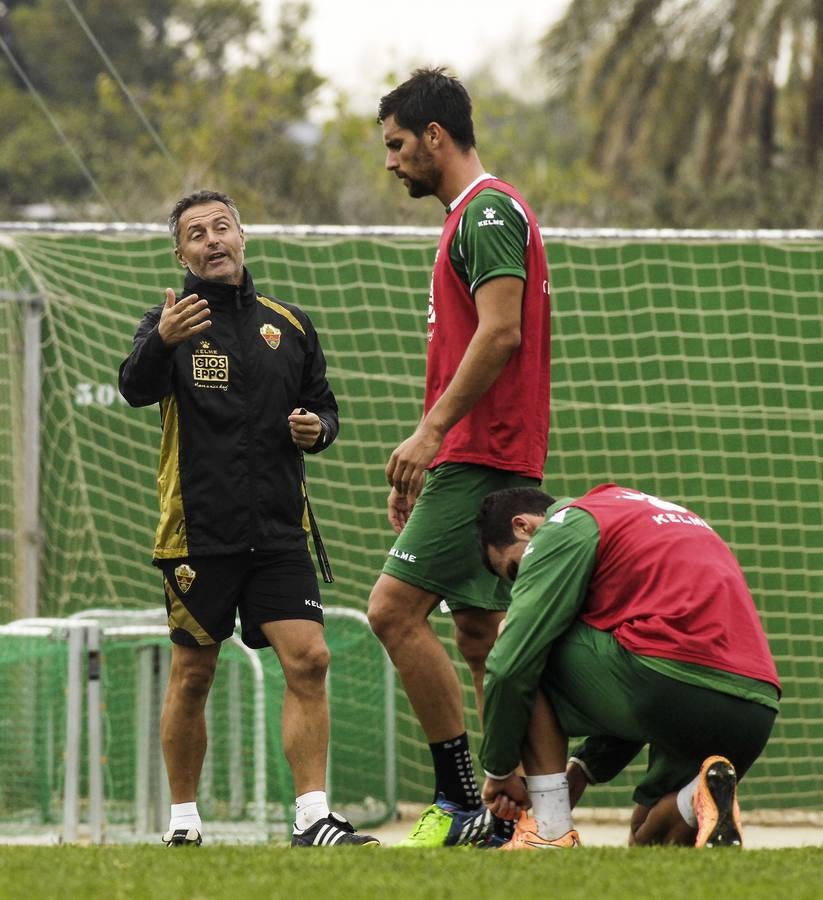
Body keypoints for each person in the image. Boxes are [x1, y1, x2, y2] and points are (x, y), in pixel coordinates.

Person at [118, 189, 378, 848]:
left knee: (310, 660)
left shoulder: (287, 323)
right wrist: (160, 345)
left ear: (243, 237)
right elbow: (134, 388)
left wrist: (317, 428)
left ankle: (312, 817)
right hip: (196, 532)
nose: (211, 240)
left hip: (280, 531)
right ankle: (182, 820)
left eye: (221, 226)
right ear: (180, 252)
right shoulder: (167, 320)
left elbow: (325, 408)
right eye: (196, 233)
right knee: (194, 672)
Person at [367, 67, 551, 847]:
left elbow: (500, 332)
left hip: (482, 455)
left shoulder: (485, 215)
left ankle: (460, 800)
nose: (390, 161)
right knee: (483, 637)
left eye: (397, 144)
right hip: (474, 459)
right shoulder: (469, 218)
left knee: (390, 611)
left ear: (433, 136)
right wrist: (428, 460)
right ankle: (534, 821)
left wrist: (431, 436)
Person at [475, 484, 781, 849]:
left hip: (667, 678)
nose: (520, 582)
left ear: (524, 526)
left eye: (515, 569)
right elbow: (640, 652)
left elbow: (510, 666)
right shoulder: (655, 514)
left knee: (519, 637)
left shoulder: (566, 523)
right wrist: (583, 770)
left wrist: (501, 769)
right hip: (754, 706)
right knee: (648, 839)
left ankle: (549, 830)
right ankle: (699, 798)